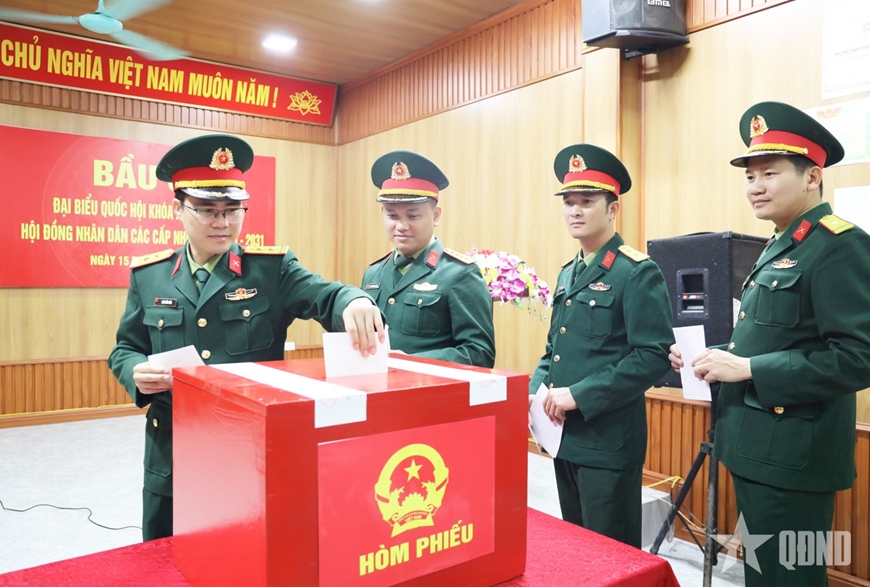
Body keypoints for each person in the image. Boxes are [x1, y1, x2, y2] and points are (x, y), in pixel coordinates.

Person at [108, 134, 384, 541]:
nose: (222, 223)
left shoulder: (270, 270)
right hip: (175, 444)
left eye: (232, 210)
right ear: (177, 209)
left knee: (249, 546)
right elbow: (126, 348)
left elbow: (325, 295)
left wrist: (354, 300)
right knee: (165, 552)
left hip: (251, 445)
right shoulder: (149, 276)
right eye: (207, 210)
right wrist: (135, 371)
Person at [669, 101, 870, 586]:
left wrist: (750, 369)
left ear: (812, 176)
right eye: (749, 175)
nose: (755, 186)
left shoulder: (838, 245)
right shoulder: (780, 244)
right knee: (765, 576)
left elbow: (858, 357)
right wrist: (714, 358)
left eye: (769, 173)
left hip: (794, 458)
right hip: (756, 449)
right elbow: (771, 336)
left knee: (790, 578)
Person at [529, 143, 674, 547]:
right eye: (569, 202)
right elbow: (554, 350)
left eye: (587, 201)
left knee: (610, 553)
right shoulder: (568, 273)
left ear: (613, 208)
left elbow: (653, 356)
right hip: (564, 437)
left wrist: (580, 394)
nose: (575, 211)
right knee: (578, 551)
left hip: (608, 441)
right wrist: (534, 390)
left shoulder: (636, 272)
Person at [361, 150, 495, 368]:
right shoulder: (373, 273)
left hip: (429, 388)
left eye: (413, 216)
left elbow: (479, 353)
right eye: (392, 215)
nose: (401, 226)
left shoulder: (459, 273)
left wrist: (411, 363)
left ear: (436, 216)